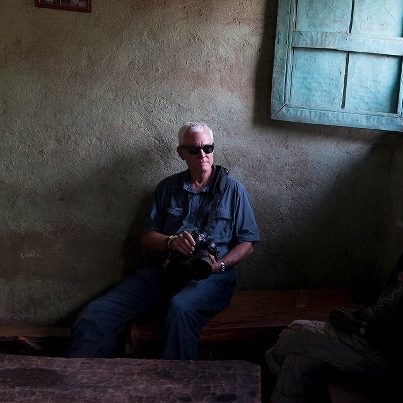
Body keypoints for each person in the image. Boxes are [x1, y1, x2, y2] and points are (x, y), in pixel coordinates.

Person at [65, 122, 260, 360]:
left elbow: (247, 243)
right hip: (166, 271)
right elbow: (148, 236)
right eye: (194, 150)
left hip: (211, 276)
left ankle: (174, 389)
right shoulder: (168, 188)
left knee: (180, 310)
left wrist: (217, 265)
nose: (203, 155)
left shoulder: (233, 190)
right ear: (181, 153)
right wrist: (171, 242)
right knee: (97, 313)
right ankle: (77, 383)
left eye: (208, 148)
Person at [265, 253, 403, 403]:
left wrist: (358, 328)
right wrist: (354, 314)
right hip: (363, 332)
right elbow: (380, 303)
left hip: (378, 354)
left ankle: (271, 361)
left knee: (297, 329)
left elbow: (391, 337)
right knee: (297, 359)